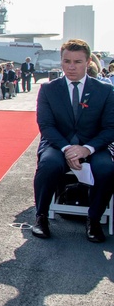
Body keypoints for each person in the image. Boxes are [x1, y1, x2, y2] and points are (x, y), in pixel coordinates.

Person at [31, 39, 114, 243]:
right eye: (67, 61)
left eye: (77, 61)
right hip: (58, 144)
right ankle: (41, 217)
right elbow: (46, 126)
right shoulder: (48, 89)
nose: (71, 66)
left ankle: (93, 219)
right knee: (48, 165)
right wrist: (68, 148)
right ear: (61, 62)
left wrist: (87, 149)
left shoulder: (105, 91)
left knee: (106, 169)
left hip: (94, 145)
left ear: (88, 62)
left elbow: (110, 128)